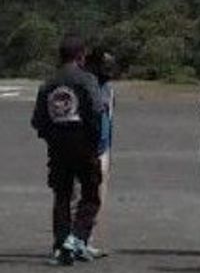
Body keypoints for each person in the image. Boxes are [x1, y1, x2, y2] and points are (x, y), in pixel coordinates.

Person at [31, 36, 104, 266]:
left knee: (61, 196)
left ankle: (61, 242)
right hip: (83, 144)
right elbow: (96, 109)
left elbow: (37, 120)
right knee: (91, 194)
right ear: (81, 56)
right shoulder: (86, 79)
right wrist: (94, 139)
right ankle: (76, 238)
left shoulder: (48, 83)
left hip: (57, 148)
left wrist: (52, 137)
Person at [83, 48, 117, 260]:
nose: (109, 71)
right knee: (80, 197)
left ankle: (87, 238)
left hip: (103, 149)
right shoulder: (85, 86)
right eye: (105, 66)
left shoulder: (109, 89)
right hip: (85, 149)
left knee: (98, 199)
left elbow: (110, 118)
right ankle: (73, 239)